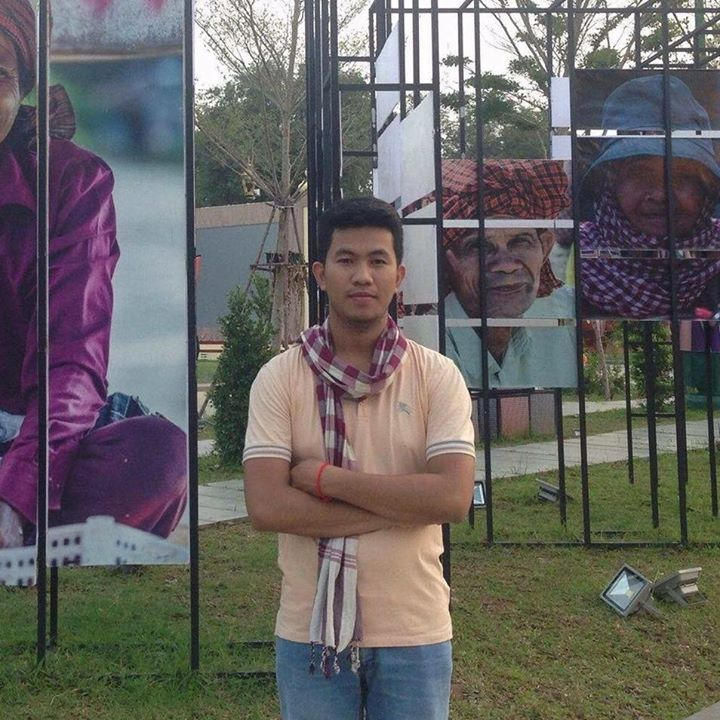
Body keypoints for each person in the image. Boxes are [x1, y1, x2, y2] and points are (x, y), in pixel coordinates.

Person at [243, 197, 476, 719]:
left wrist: (323, 479)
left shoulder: (436, 377)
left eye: (378, 260)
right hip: (310, 631)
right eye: (346, 260)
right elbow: (266, 506)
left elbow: (451, 499)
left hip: (414, 631)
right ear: (320, 274)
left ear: (399, 275)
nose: (363, 275)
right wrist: (401, 504)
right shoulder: (279, 379)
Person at [0, 0, 187, 551]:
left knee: (159, 457)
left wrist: (17, 494)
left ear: (22, 91)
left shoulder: (73, 182)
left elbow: (71, 361)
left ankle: (23, 520)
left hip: (37, 434)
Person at [580, 74, 720, 318]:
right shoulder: (567, 258)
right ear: (610, 184)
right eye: (640, 174)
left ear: (705, 189)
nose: (660, 194)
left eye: (682, 176)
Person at [439, 158, 576, 388]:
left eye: (520, 241)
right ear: (451, 260)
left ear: (545, 248)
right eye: (480, 246)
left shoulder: (567, 313)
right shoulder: (428, 335)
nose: (506, 265)